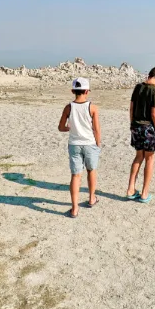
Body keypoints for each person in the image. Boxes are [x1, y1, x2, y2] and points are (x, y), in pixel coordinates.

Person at [58, 77, 102, 218]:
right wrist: (98, 143)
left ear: (73, 91)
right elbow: (96, 129)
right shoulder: (92, 107)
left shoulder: (68, 107)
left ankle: (75, 208)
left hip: (74, 144)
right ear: (87, 91)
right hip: (89, 143)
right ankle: (91, 198)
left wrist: (69, 128)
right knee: (91, 171)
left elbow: (60, 127)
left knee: (75, 176)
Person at [126, 67, 155, 203]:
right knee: (149, 159)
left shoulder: (138, 87)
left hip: (136, 126)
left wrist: (132, 124)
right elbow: (154, 113)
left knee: (138, 156)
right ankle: (144, 193)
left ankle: (130, 189)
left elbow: (131, 107)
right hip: (149, 128)